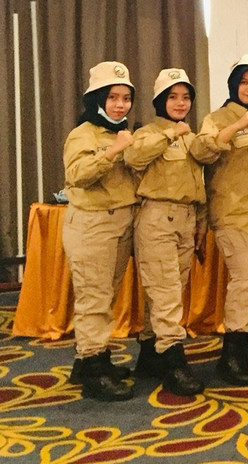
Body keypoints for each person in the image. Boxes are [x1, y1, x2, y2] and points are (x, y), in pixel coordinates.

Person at [192, 54, 248, 386]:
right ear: (233, 84)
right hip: (232, 214)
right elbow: (202, 151)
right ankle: (230, 354)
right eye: (245, 81)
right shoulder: (217, 118)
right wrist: (236, 126)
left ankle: (242, 342)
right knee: (247, 278)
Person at [123, 68, 206, 396]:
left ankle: (149, 351)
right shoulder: (148, 132)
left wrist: (201, 222)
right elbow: (133, 156)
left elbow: (198, 183)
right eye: (173, 96)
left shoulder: (189, 134)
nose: (180, 102)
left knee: (168, 291)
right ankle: (173, 361)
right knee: (167, 292)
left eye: (186, 97)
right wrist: (169, 134)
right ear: (160, 100)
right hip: (158, 217)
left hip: (186, 219)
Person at [63, 61, 139, 401]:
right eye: (113, 97)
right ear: (97, 99)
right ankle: (94, 371)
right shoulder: (83, 134)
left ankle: (89, 359)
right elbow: (78, 174)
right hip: (92, 225)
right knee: (93, 298)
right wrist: (115, 150)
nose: (120, 105)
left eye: (125, 98)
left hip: (121, 223)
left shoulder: (121, 131)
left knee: (104, 296)